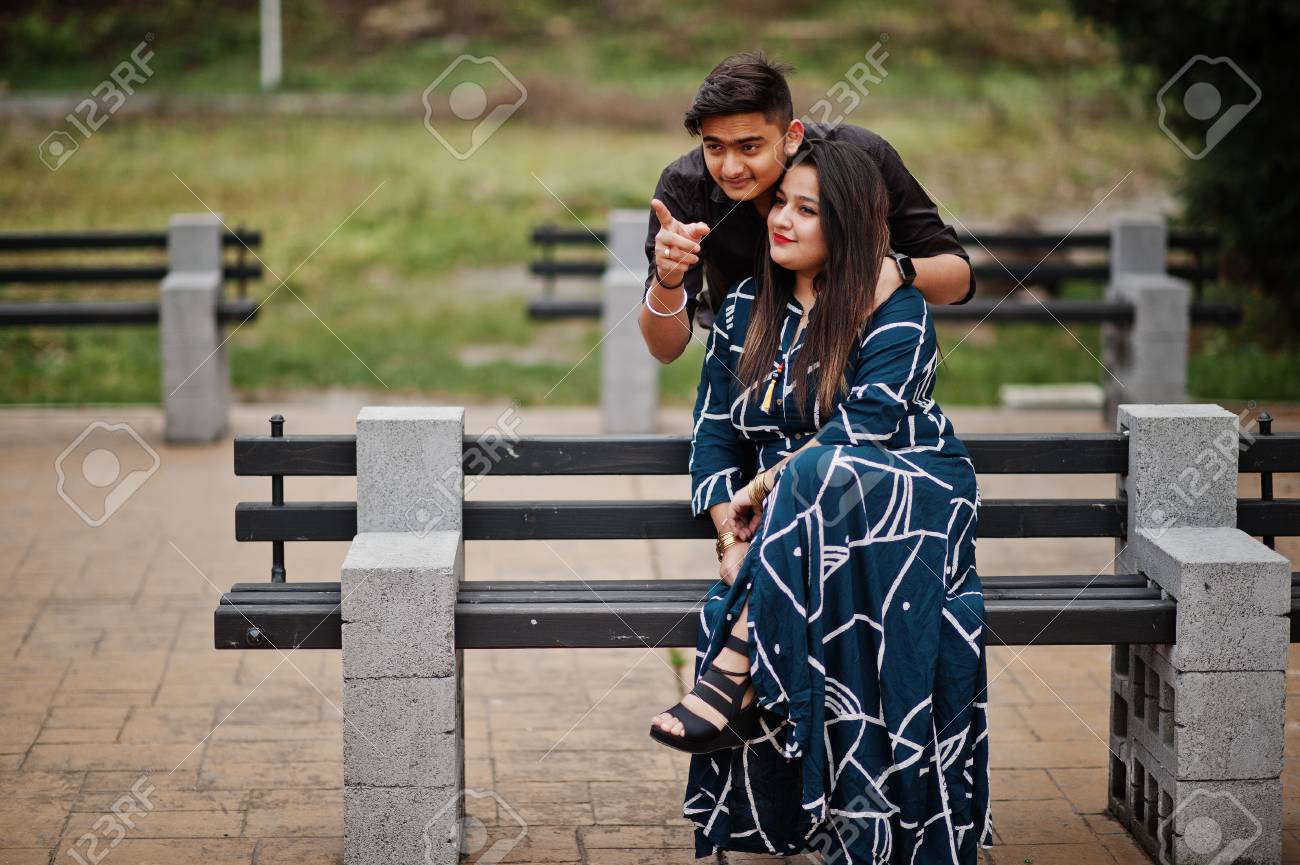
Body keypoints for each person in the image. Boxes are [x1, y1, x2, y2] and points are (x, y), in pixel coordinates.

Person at [647, 137, 992, 864]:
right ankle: (793, 806)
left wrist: (765, 491)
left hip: (901, 504)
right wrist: (728, 527)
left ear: (849, 225)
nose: (782, 219)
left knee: (817, 471)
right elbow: (713, 433)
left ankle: (736, 670)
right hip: (787, 532)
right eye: (781, 203)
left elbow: (865, 427)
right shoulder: (744, 308)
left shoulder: (894, 308)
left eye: (808, 210)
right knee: (805, 491)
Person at [640, 51, 975, 366]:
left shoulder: (861, 157)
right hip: (743, 357)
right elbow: (664, 350)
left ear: (792, 135)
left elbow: (957, 279)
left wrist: (894, 271)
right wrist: (668, 280)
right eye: (714, 147)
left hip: (857, 355)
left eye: (749, 147)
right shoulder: (684, 186)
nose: (730, 168)